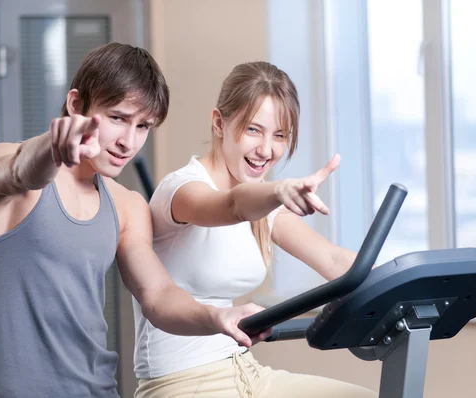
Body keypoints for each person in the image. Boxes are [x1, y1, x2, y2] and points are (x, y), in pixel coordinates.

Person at [0, 43, 269, 398]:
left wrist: (216, 318)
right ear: (75, 105)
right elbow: (18, 170)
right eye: (117, 118)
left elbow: (158, 295)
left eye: (143, 126)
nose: (128, 141)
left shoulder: (126, 206)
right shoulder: (5, 175)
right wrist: (52, 147)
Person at [132, 61, 378, 397]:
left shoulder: (263, 203)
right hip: (182, 384)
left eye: (280, 135)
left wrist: (414, 282)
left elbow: (333, 261)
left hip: (245, 372)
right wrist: (278, 191)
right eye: (253, 130)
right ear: (219, 123)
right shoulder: (182, 190)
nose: (266, 149)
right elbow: (232, 205)